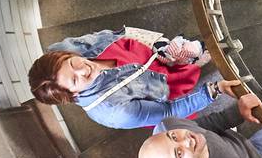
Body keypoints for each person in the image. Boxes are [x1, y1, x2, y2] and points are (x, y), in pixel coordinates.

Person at [29, 29, 245, 130]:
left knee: (188, 51)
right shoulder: (117, 111)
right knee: (188, 91)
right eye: (75, 81)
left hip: (151, 58)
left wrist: (156, 43)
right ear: (73, 94)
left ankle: (200, 54)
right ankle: (197, 62)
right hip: (161, 88)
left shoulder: (65, 49)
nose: (84, 69)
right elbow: (170, 111)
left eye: (73, 64)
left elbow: (116, 34)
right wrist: (213, 90)